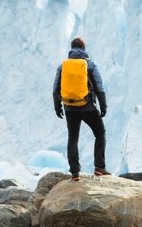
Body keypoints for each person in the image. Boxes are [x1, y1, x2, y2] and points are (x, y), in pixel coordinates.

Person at [53, 37, 109, 181]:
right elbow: (98, 86)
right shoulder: (90, 64)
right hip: (87, 107)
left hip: (70, 108)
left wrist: (57, 106)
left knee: (73, 138)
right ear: (84, 49)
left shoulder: (63, 66)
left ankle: (75, 173)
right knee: (100, 133)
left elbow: (56, 89)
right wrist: (103, 105)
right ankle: (99, 167)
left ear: (71, 49)